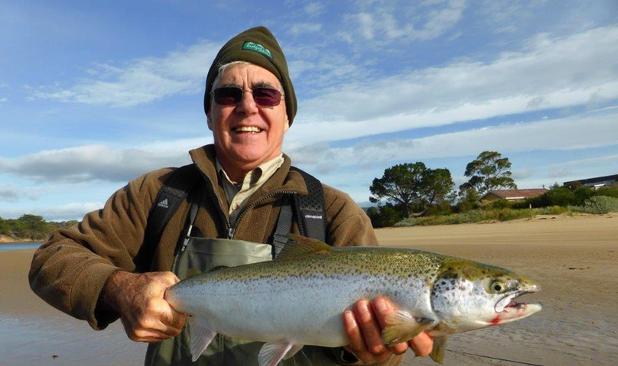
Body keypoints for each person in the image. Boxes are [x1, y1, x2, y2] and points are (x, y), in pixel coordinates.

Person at [29, 26, 433, 365]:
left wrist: (377, 352)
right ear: (209, 112)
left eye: (266, 94)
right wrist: (120, 288)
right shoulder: (157, 194)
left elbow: (384, 357)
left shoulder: (332, 211)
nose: (247, 107)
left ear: (287, 113)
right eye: (228, 95)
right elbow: (53, 258)